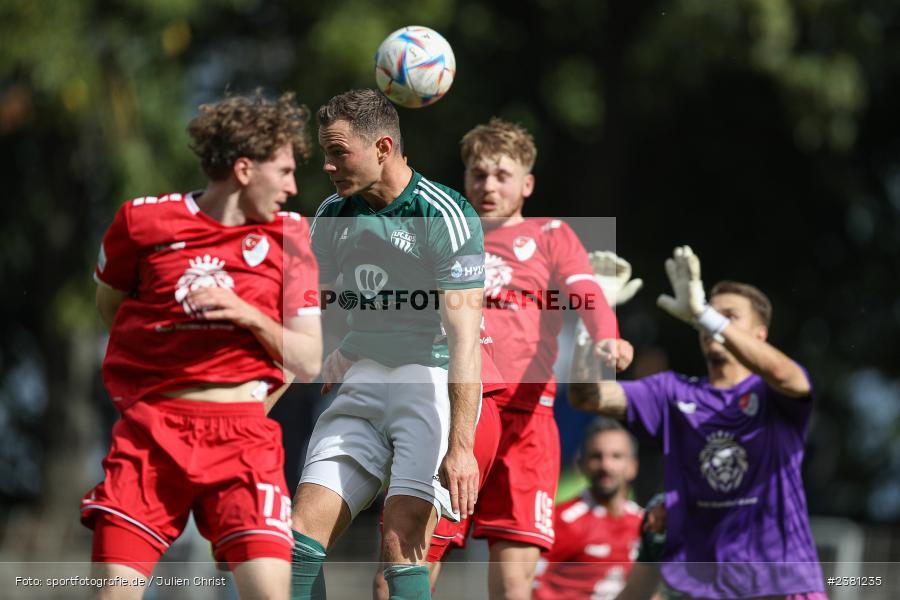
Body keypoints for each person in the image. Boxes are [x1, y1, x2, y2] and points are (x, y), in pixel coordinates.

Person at [82, 91, 324, 600]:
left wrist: (247, 314)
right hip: (152, 434)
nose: (292, 186)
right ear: (243, 169)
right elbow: (110, 305)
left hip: (242, 441)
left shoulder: (293, 238)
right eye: (282, 171)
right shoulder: (143, 222)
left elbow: (308, 358)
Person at [289, 89, 484, 600]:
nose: (328, 166)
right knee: (295, 542)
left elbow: (466, 340)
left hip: (430, 382)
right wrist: (332, 346)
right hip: (363, 382)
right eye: (325, 154)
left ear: (381, 147)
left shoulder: (444, 212)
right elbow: (322, 312)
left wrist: (462, 447)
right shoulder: (331, 217)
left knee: (401, 543)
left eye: (339, 153)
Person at [570, 245, 826, 599]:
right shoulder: (671, 392)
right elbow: (587, 396)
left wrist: (705, 313)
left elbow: (787, 375)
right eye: (701, 313)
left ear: (760, 335)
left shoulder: (773, 395)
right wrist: (592, 319)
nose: (705, 320)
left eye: (728, 316)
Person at [460, 117, 634, 600]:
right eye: (478, 174)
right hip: (456, 414)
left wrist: (608, 337)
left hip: (527, 425)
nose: (488, 185)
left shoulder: (551, 234)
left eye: (501, 175)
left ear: (527, 183)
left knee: (515, 586)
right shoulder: (447, 237)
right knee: (410, 556)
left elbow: (587, 292)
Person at [533, 418, 643, 600]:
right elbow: (530, 584)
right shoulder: (562, 521)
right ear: (582, 464)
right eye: (596, 456)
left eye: (616, 456)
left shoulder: (645, 524)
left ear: (633, 466)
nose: (606, 466)